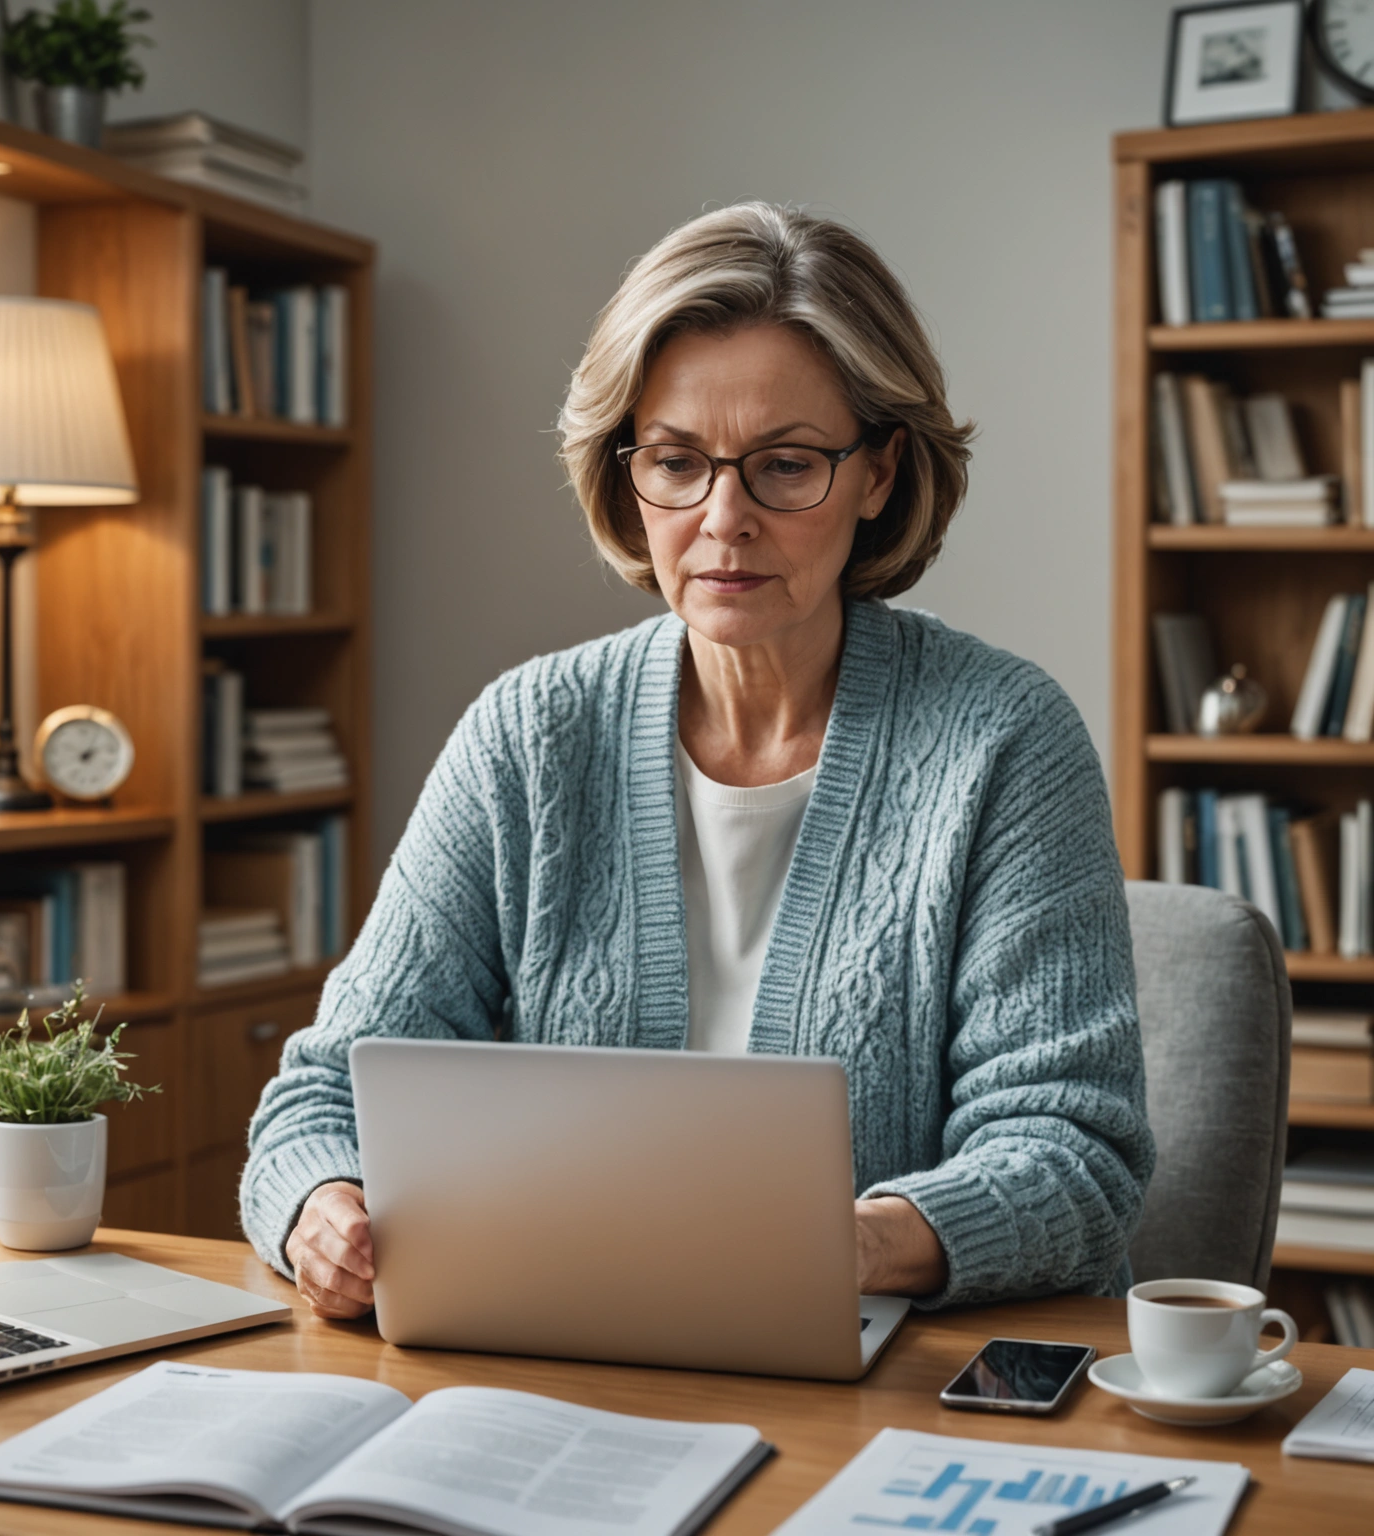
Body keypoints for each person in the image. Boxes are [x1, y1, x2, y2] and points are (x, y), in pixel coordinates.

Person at [241, 202, 1155, 1321]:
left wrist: (843, 1245)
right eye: (677, 461)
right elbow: (322, 1093)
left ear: (879, 474)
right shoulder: (528, 733)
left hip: (896, 1391)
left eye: (785, 465)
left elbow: (1074, 1156)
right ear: (627, 472)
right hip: (566, 1364)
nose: (724, 520)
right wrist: (319, 1206)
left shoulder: (1004, 740)